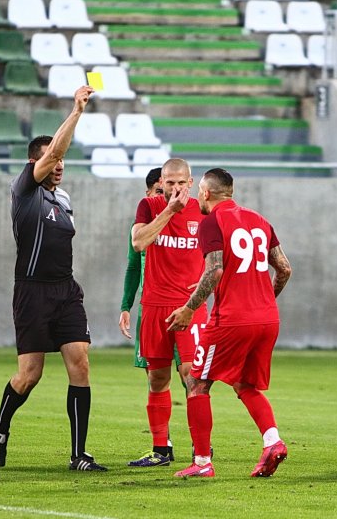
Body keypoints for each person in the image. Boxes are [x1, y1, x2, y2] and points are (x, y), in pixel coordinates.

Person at [0, 85, 107, 472]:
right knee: (30, 374)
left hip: (66, 290)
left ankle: (78, 455)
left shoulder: (65, 198)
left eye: (61, 162)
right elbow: (56, 149)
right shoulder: (23, 189)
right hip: (32, 291)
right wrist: (77, 111)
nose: (58, 165)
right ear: (34, 163)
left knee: (80, 363)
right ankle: (0, 424)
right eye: (51, 160)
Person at [166, 168, 292, 478]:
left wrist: (187, 309)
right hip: (267, 319)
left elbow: (215, 271)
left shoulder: (211, 222)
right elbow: (285, 269)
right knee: (244, 383)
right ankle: (272, 442)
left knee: (197, 383)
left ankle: (201, 463)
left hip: (231, 320)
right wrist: (262, 301)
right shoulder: (260, 221)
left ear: (206, 193)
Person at [126, 158, 208, 468]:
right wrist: (168, 211)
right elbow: (138, 242)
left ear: (190, 182)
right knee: (157, 378)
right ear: (161, 181)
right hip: (155, 305)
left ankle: (202, 452)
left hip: (190, 306)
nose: (174, 188)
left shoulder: (203, 210)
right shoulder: (149, 206)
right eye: (168, 182)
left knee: (192, 376)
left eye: (180, 182)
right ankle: (161, 450)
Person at [117, 166, 163, 367]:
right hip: (150, 308)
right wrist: (126, 306)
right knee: (154, 375)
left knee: (189, 374)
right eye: (159, 191)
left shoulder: (189, 224)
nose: (165, 196)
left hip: (182, 305)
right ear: (149, 194)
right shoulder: (139, 231)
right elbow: (134, 268)